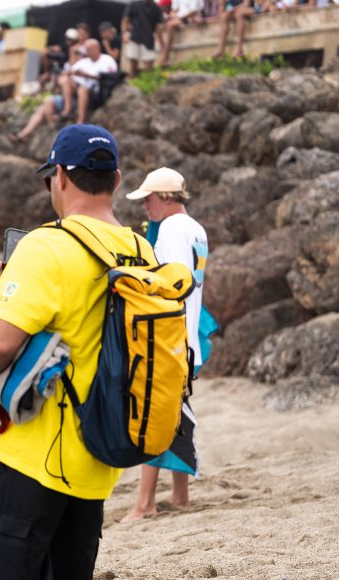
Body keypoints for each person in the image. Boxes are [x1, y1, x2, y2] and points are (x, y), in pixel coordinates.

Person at [0, 124, 157, 579]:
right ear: (115, 180)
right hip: (100, 451)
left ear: (60, 176)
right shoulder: (142, 251)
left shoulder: (47, 244)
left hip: (38, 454)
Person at [121, 167, 208, 521]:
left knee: (154, 415)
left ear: (168, 198)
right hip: (188, 336)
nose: (145, 207)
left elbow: (167, 285)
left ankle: (145, 503)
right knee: (177, 413)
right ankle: (180, 494)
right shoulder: (195, 228)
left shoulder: (172, 229)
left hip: (171, 337)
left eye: (149, 199)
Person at [8, 39, 117, 143]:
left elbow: (111, 78)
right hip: (73, 96)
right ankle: (26, 134)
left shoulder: (107, 60)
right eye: (86, 49)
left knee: (82, 89)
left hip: (94, 95)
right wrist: (70, 74)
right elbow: (67, 73)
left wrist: (87, 75)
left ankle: (80, 123)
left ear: (96, 48)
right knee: (48, 101)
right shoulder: (84, 61)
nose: (87, 52)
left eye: (89, 49)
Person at [122, 0, 165, 74]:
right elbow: (125, 20)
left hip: (148, 40)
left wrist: (161, 42)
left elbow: (158, 27)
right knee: (133, 67)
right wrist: (124, 33)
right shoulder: (133, 4)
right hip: (134, 38)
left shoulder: (157, 8)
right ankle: (133, 82)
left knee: (149, 68)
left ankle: (146, 83)